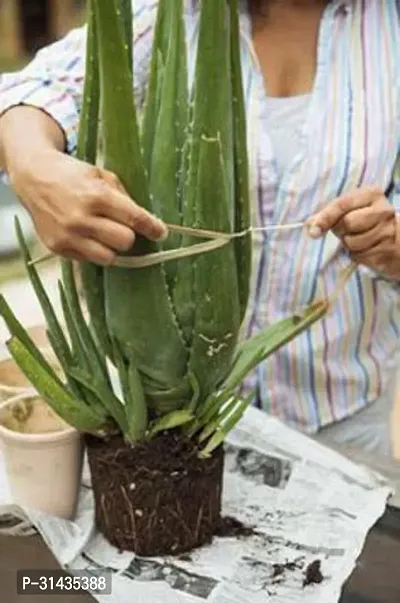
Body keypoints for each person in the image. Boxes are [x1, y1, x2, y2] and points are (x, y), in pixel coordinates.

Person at [0, 0, 399, 456]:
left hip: (340, 417)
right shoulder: (176, 11)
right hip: (157, 416)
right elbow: (35, 90)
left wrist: (392, 243)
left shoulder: (389, 26)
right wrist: (33, 163)